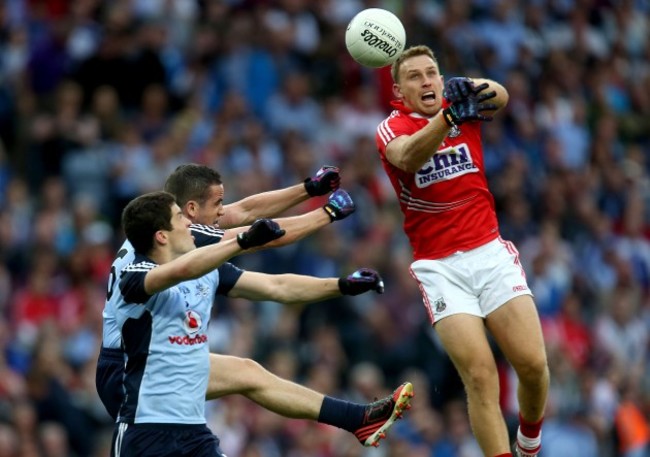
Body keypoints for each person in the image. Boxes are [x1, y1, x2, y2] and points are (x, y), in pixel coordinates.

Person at [97, 164, 414, 449]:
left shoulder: (180, 238)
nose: (223, 212)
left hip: (159, 381)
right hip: (131, 370)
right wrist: (326, 213)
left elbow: (263, 256)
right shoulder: (176, 247)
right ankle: (357, 419)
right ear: (187, 212)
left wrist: (309, 191)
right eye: (218, 204)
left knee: (248, 373)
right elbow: (260, 234)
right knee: (242, 377)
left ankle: (357, 419)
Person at [374, 45, 549, 457]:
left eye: (431, 73)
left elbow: (501, 95)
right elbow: (408, 157)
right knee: (480, 376)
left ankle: (528, 442)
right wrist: (447, 118)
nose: (426, 81)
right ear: (399, 90)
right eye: (414, 76)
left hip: (489, 251)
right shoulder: (391, 127)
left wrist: (472, 86)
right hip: (439, 268)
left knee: (533, 366)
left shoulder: (459, 101)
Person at [113, 190, 286, 456]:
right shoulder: (135, 275)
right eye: (180, 217)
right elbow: (182, 269)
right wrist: (242, 241)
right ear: (162, 236)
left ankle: (354, 417)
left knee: (250, 371)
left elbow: (278, 285)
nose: (188, 223)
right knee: (249, 373)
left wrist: (341, 284)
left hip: (193, 430)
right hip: (144, 431)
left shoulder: (203, 273)